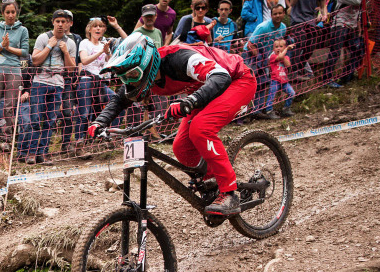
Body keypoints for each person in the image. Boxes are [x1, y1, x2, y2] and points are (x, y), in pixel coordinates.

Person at [88, 33, 257, 215]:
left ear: (146, 65)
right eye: (125, 77)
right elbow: (119, 100)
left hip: (237, 80)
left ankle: (229, 193)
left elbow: (221, 76)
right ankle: (211, 181)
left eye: (133, 74)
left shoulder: (180, 59)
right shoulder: (140, 75)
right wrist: (99, 122)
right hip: (205, 90)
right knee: (181, 148)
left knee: (201, 128)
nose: (130, 81)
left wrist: (191, 101)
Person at [21, 10, 77, 165]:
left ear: (67, 23)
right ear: (53, 22)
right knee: (35, 118)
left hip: (58, 84)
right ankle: (31, 153)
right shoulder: (43, 38)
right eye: (57, 21)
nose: (60, 24)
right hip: (40, 82)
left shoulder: (70, 43)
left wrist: (65, 52)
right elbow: (35, 61)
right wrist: (49, 46)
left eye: (63, 21)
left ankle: (43, 153)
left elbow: (71, 69)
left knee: (50, 120)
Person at [0, 0, 29, 152]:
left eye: (13, 12)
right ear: (3, 13)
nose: (10, 15)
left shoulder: (22, 30)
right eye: (7, 12)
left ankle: (6, 139)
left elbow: (25, 52)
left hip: (14, 70)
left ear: (16, 13)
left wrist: (8, 48)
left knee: (9, 106)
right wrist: (1, 46)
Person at [74, 17, 122, 151]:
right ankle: (79, 140)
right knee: (84, 112)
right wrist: (101, 51)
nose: (98, 29)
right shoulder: (84, 43)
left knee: (117, 102)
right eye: (95, 26)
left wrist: (107, 52)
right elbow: (84, 60)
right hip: (87, 80)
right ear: (89, 29)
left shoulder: (104, 44)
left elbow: (110, 64)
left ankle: (110, 135)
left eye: (101, 26)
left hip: (100, 82)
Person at [324, 0, 365, 87]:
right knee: (335, 52)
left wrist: (358, 27)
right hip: (340, 26)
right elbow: (357, 1)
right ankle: (326, 80)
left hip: (351, 27)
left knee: (357, 50)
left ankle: (346, 76)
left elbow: (358, 11)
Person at [287, 0, 328, 78]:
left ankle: (300, 68)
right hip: (297, 20)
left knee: (310, 46)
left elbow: (323, 4)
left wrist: (324, 14)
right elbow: (292, 2)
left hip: (311, 20)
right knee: (300, 42)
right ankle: (293, 72)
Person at [59, 10, 83, 153]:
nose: (64, 23)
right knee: (53, 112)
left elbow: (79, 60)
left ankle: (66, 143)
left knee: (69, 112)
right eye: (61, 21)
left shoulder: (76, 39)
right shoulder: (52, 37)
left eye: (67, 21)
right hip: (55, 77)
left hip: (71, 78)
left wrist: (77, 76)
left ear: (71, 23)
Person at [261, 38, 296, 119]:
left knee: (292, 93)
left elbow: (288, 65)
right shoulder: (272, 56)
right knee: (271, 95)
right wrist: (287, 49)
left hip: (284, 81)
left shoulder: (286, 57)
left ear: (284, 47)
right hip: (275, 80)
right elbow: (279, 57)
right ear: (273, 49)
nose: (278, 48)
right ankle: (269, 110)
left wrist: (283, 55)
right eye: (276, 47)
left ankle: (286, 109)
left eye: (281, 46)